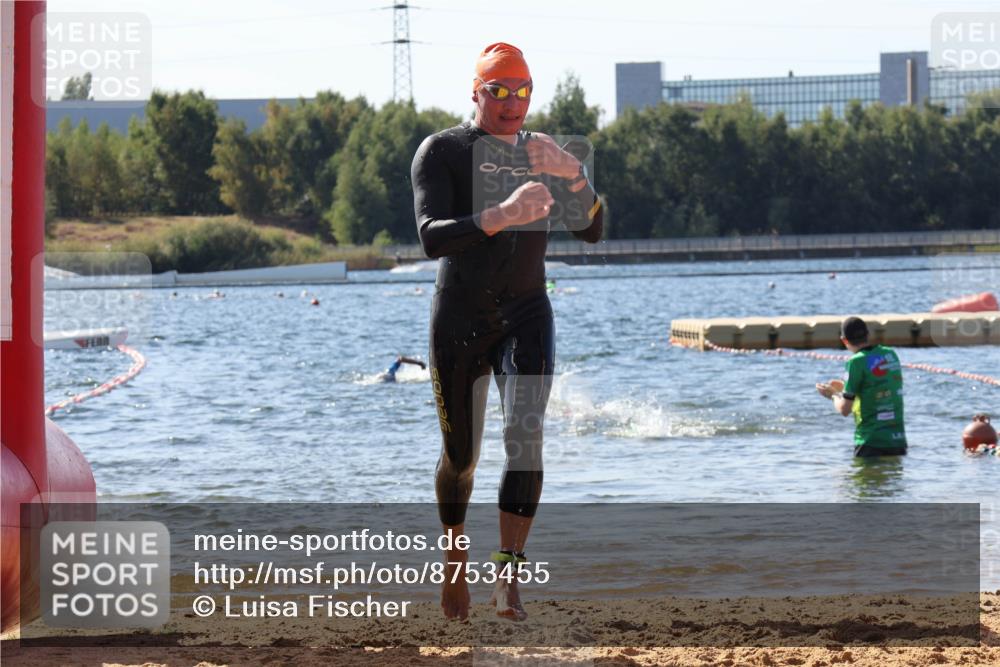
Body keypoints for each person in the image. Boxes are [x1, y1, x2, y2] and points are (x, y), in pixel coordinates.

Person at [410, 42, 603, 622]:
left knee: (527, 436)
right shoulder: (442, 151)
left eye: (522, 91)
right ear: (476, 93)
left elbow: (592, 230)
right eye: (499, 91)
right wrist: (503, 215)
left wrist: (573, 170)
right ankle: (453, 559)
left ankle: (508, 577)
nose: (512, 103)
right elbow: (432, 236)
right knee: (461, 456)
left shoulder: (545, 152)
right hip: (460, 318)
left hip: (526, 313)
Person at [816, 316, 908, 457]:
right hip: (897, 441)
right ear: (868, 335)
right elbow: (878, 385)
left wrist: (832, 394)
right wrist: (844, 386)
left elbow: (845, 409)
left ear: (844, 340)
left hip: (870, 442)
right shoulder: (890, 354)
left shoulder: (856, 362)